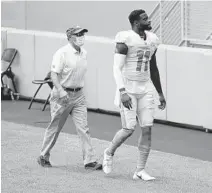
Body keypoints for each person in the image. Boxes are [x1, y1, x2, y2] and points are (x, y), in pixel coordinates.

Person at [103, 9, 166, 180]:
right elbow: (116, 68)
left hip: (145, 88)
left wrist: (160, 92)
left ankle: (140, 170)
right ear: (136, 22)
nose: (149, 20)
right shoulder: (125, 39)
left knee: (147, 129)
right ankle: (109, 152)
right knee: (129, 128)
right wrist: (122, 91)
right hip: (128, 87)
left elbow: (153, 68)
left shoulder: (152, 40)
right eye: (145, 18)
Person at [37, 26, 102, 170]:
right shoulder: (62, 53)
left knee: (83, 128)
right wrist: (60, 90)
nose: (81, 36)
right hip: (62, 96)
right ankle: (43, 155)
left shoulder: (84, 53)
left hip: (78, 95)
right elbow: (53, 74)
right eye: (78, 34)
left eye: (82, 34)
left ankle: (89, 160)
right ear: (70, 37)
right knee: (55, 127)